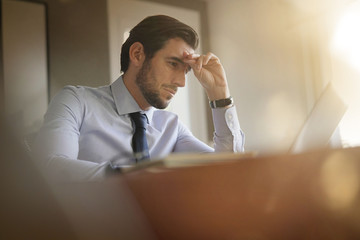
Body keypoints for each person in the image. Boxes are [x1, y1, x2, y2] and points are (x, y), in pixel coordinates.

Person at [33, 15, 245, 181]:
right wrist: (139, 178)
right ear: (137, 54)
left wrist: (220, 93)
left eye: (186, 71)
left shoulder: (172, 127)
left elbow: (230, 172)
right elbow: (49, 167)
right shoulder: (77, 102)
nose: (181, 82)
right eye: (172, 64)